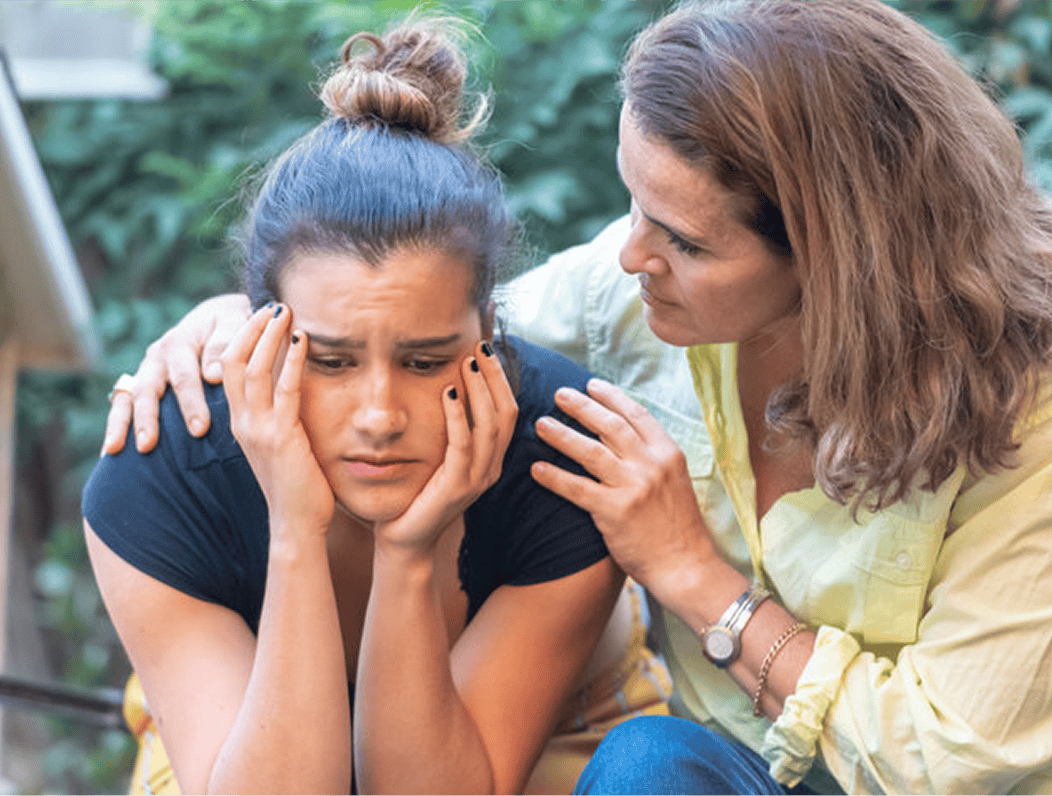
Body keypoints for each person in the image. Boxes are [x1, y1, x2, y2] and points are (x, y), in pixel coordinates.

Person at [103, 0, 1052, 793]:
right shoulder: (633, 298)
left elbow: (950, 759)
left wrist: (696, 580)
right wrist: (220, 325)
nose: (629, 255)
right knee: (650, 770)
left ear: (843, 260)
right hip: (725, 775)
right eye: (633, 203)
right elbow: (414, 316)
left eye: (687, 240)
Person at [83, 18, 673, 796]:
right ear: (260, 336)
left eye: (425, 361)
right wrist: (294, 529)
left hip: (551, 740)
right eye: (330, 361)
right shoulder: (167, 465)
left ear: (489, 333)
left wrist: (409, 551)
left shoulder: (565, 458)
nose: (379, 414)